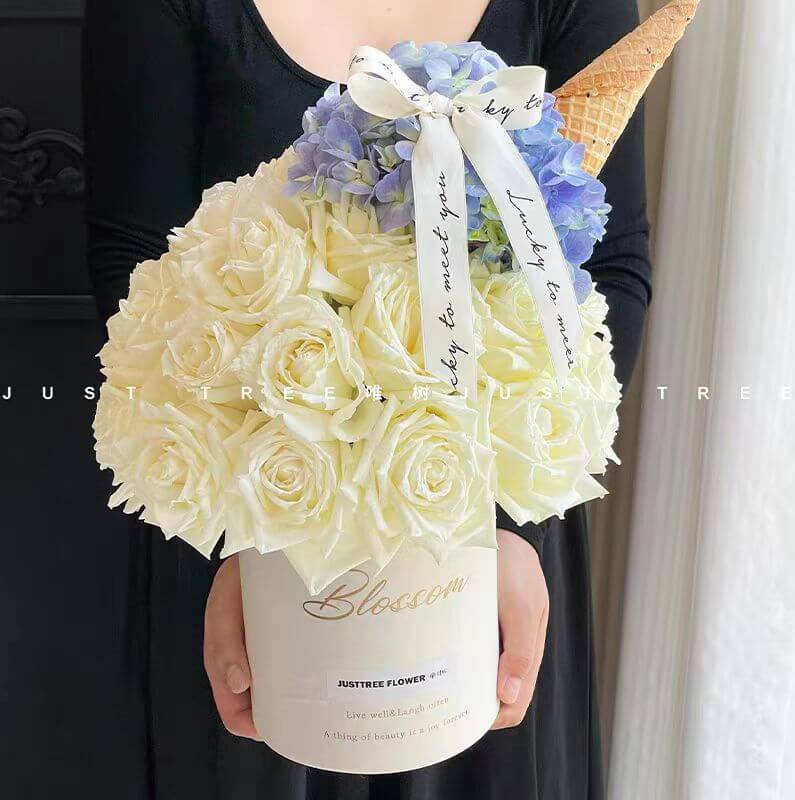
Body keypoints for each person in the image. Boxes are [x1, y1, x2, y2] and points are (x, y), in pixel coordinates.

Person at [83, 0, 651, 797]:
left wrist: (496, 530)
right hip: (251, 544)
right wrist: (245, 535)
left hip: (489, 551)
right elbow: (138, 262)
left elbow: (611, 265)